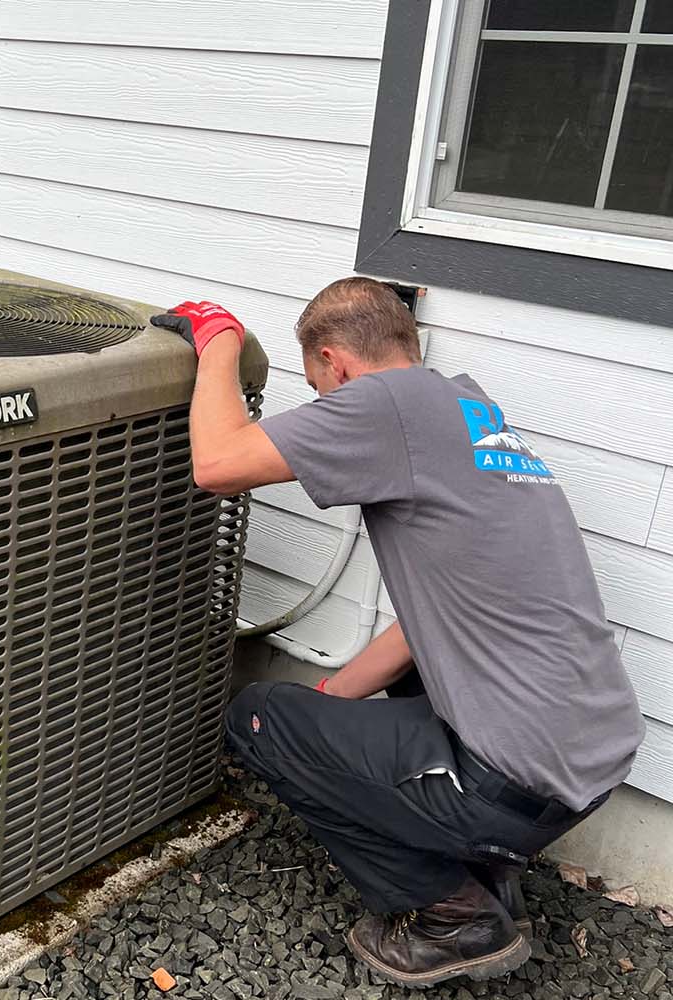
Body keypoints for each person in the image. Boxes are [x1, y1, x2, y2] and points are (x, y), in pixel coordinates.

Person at [155, 279, 644, 988]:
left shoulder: (385, 403)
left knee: (257, 718)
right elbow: (433, 630)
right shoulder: (471, 413)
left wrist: (219, 336)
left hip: (516, 776)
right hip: (583, 764)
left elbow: (218, 465)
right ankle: (487, 868)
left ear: (338, 364)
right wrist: (326, 705)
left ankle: (453, 915)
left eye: (324, 393)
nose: (330, 413)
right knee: (338, 705)